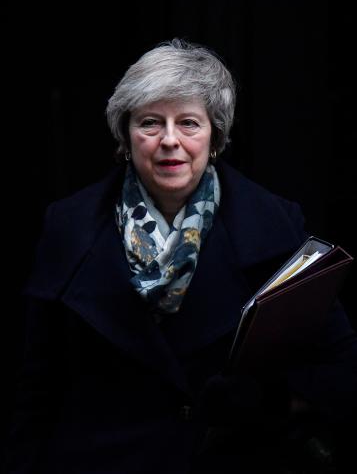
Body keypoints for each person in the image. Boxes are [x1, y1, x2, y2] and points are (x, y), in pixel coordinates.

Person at [3, 38, 357, 474]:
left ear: (215, 134)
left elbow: (339, 365)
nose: (170, 140)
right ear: (126, 135)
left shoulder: (274, 224)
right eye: (150, 123)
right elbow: (36, 386)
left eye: (189, 123)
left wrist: (269, 402)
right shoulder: (68, 226)